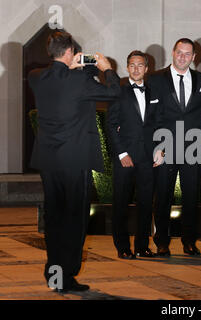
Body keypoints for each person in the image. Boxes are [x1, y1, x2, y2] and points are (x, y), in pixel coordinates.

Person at [28, 31, 121, 292]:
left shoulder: (36, 77)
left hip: (49, 162)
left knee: (55, 219)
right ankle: (66, 276)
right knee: (74, 220)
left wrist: (73, 68)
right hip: (75, 160)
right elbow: (115, 93)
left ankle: (54, 274)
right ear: (69, 51)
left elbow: (57, 77)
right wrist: (106, 68)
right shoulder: (80, 80)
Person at [148, 38, 201, 256]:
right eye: (179, 52)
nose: (183, 57)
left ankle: (189, 241)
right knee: (163, 196)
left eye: (188, 54)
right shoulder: (156, 79)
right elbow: (149, 115)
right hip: (164, 147)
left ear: (194, 57)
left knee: (191, 197)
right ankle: (162, 242)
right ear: (173, 52)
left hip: (192, 148)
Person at [107, 50, 158, 259]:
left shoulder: (154, 92)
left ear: (146, 69)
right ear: (127, 68)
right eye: (132, 65)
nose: (136, 69)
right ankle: (122, 247)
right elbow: (111, 125)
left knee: (146, 204)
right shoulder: (117, 91)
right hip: (125, 158)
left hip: (147, 157)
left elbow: (159, 123)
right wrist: (121, 153)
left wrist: (160, 149)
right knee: (121, 203)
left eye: (140, 65)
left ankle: (142, 246)